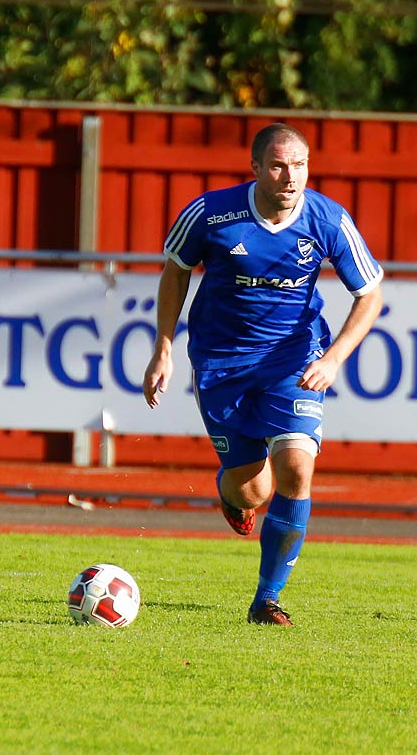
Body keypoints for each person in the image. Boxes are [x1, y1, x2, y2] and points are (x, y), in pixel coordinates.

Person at [142, 123, 384, 626]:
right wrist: (163, 346)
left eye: (299, 165)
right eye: (278, 165)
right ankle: (231, 493)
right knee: (253, 490)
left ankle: (266, 599)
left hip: (291, 362)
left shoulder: (328, 219)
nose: (290, 175)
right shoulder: (210, 213)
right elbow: (175, 271)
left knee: (297, 468)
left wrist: (334, 357)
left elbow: (370, 294)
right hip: (220, 363)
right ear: (256, 169)